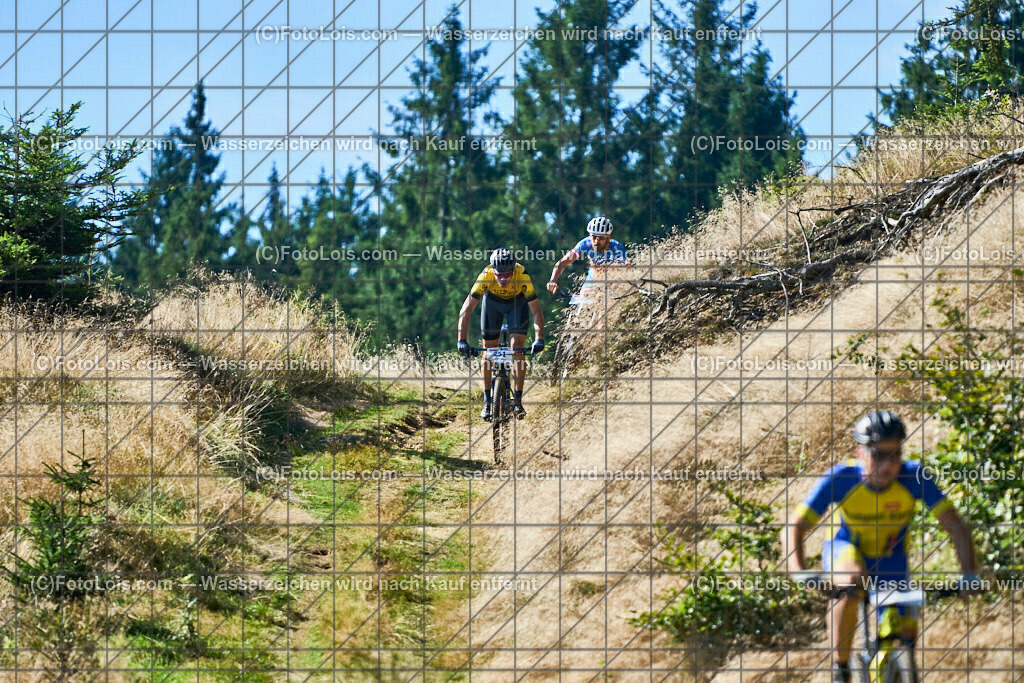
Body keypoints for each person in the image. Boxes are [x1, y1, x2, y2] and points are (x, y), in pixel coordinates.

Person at [782, 409, 979, 683]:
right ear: (860, 452)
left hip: (891, 559)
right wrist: (798, 569)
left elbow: (956, 526)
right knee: (849, 583)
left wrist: (969, 572)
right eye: (878, 455)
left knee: (903, 638)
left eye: (895, 454)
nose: (888, 465)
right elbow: (796, 526)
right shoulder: (841, 478)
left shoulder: (914, 477)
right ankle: (841, 670)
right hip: (847, 549)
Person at [457, 248, 544, 421]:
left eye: (507, 275)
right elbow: (466, 310)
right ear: (493, 271)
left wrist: (539, 338)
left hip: (516, 304)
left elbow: (536, 311)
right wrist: (461, 340)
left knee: (517, 349)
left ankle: (518, 401)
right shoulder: (486, 275)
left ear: (513, 271)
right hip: (492, 304)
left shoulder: (522, 275)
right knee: (488, 350)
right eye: (499, 275)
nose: (502, 279)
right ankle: (488, 401)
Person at [546, 216, 628, 303]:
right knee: (584, 300)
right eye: (594, 237)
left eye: (601, 238)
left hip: (612, 281)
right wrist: (553, 280)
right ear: (589, 235)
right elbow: (563, 262)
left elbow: (625, 271)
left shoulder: (616, 248)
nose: (596, 241)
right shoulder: (586, 244)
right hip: (593, 279)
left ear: (608, 237)